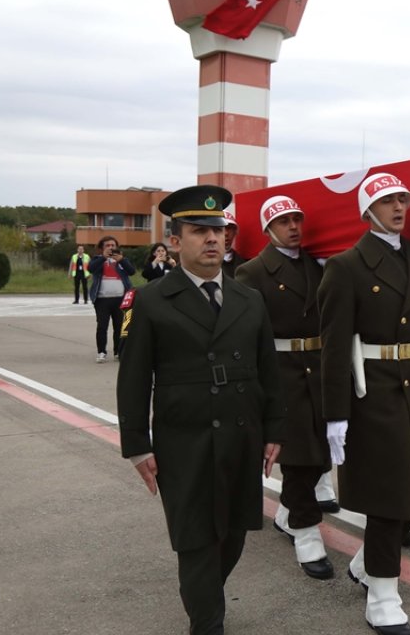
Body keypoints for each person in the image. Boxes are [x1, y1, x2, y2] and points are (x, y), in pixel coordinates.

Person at [117, 184, 284, 635]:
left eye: (220, 230)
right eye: (199, 231)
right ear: (175, 241)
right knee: (195, 541)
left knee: (231, 536)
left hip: (240, 434)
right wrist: (136, 445)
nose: (213, 239)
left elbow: (269, 370)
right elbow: (133, 379)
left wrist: (274, 430)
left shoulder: (249, 299)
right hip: (183, 440)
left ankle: (204, 600)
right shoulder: (151, 300)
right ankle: (206, 622)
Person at [319, 172, 410, 634]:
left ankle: (367, 562)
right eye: (386, 201)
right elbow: (334, 345)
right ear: (367, 211)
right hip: (376, 389)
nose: (398, 207)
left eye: (402, 199)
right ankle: (382, 594)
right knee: (390, 494)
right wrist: (335, 414)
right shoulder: (346, 267)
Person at [234, 195, 334, 580]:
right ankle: (307, 534)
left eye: (296, 219)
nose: (292, 226)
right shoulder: (254, 272)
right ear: (267, 229)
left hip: (320, 370)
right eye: (283, 221)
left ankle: (291, 513)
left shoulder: (319, 264)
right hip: (281, 373)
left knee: (322, 454)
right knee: (297, 459)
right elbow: (247, 335)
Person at [88, 235, 135, 363]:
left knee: (120, 327)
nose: (110, 248)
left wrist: (122, 260)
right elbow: (90, 269)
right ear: (102, 248)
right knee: (102, 326)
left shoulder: (121, 261)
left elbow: (132, 271)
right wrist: (103, 257)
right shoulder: (98, 259)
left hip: (120, 299)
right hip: (102, 299)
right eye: (107, 246)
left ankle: (118, 352)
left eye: (113, 245)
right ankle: (101, 352)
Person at [220, 207, 245, 278]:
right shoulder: (203, 261)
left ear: (235, 232)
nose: (226, 233)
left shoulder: (241, 263)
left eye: (229, 228)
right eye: (221, 228)